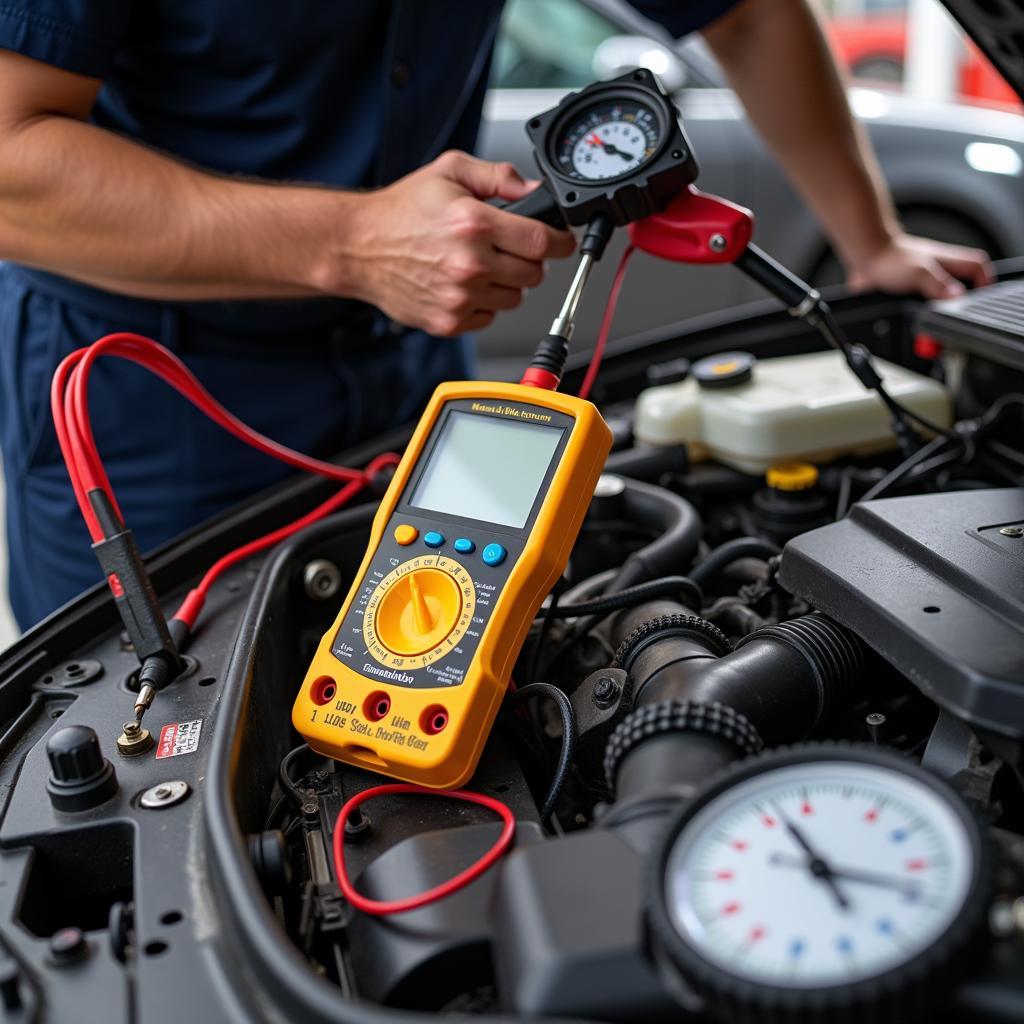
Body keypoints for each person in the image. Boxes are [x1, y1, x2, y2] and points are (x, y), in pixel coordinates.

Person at [0, 0, 992, 630]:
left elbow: (750, 15)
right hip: (152, 397)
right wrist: (350, 245)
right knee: (167, 746)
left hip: (413, 355)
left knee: (457, 673)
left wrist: (870, 244)